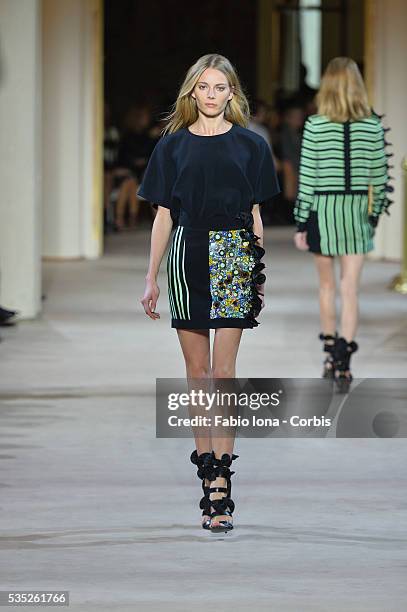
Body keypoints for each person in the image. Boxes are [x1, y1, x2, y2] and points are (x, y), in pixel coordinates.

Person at [138, 53, 279, 532]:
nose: (213, 94)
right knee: (197, 373)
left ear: (232, 93)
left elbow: (256, 213)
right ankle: (209, 481)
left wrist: (258, 267)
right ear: (192, 93)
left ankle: (225, 477)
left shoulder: (251, 147)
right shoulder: (172, 148)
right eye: (205, 87)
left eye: (221, 87)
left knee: (224, 372)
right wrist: (151, 276)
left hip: (234, 253)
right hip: (187, 251)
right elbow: (162, 215)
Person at [293, 57, 393, 393]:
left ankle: (328, 355)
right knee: (350, 289)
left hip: (324, 210)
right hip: (355, 213)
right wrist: (374, 214)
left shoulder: (315, 126)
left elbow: (307, 179)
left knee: (327, 288)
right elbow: (380, 180)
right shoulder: (372, 126)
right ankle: (345, 361)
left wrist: (301, 221)